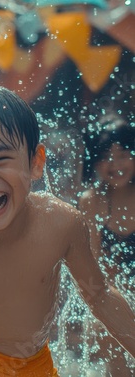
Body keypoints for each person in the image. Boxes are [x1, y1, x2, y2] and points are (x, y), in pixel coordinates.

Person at [0, 84, 135, 376]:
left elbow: (100, 296)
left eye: (0, 159)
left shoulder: (62, 223)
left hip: (36, 366)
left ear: (35, 162)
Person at [78, 115, 135, 376]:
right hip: (117, 297)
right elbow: (93, 267)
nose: (116, 164)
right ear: (94, 162)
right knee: (100, 325)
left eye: (123, 154)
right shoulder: (92, 202)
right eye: (106, 157)